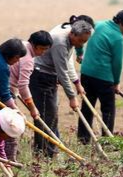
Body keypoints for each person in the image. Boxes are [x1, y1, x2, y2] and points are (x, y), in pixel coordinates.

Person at [29, 20, 93, 157]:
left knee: (51, 116)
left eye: (84, 41)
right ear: (73, 34)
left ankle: (48, 151)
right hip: (41, 77)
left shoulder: (70, 39)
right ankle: (45, 154)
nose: (81, 44)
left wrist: (77, 83)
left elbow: (68, 64)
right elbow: (62, 72)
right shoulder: (60, 43)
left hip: (49, 77)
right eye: (81, 40)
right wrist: (72, 97)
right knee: (46, 116)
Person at [78, 10, 123, 144]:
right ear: (121, 23)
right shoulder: (118, 38)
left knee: (87, 107)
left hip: (86, 74)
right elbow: (117, 63)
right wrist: (116, 82)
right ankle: (107, 141)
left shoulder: (98, 25)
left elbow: (80, 36)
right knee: (108, 110)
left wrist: (79, 52)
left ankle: (83, 139)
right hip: (104, 78)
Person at [6, 30, 53, 161]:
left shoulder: (22, 45)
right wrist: (32, 108)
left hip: (6, 87)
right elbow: (23, 86)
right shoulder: (28, 60)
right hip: (5, 90)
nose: (43, 53)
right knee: (10, 126)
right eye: (42, 49)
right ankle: (9, 160)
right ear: (35, 45)